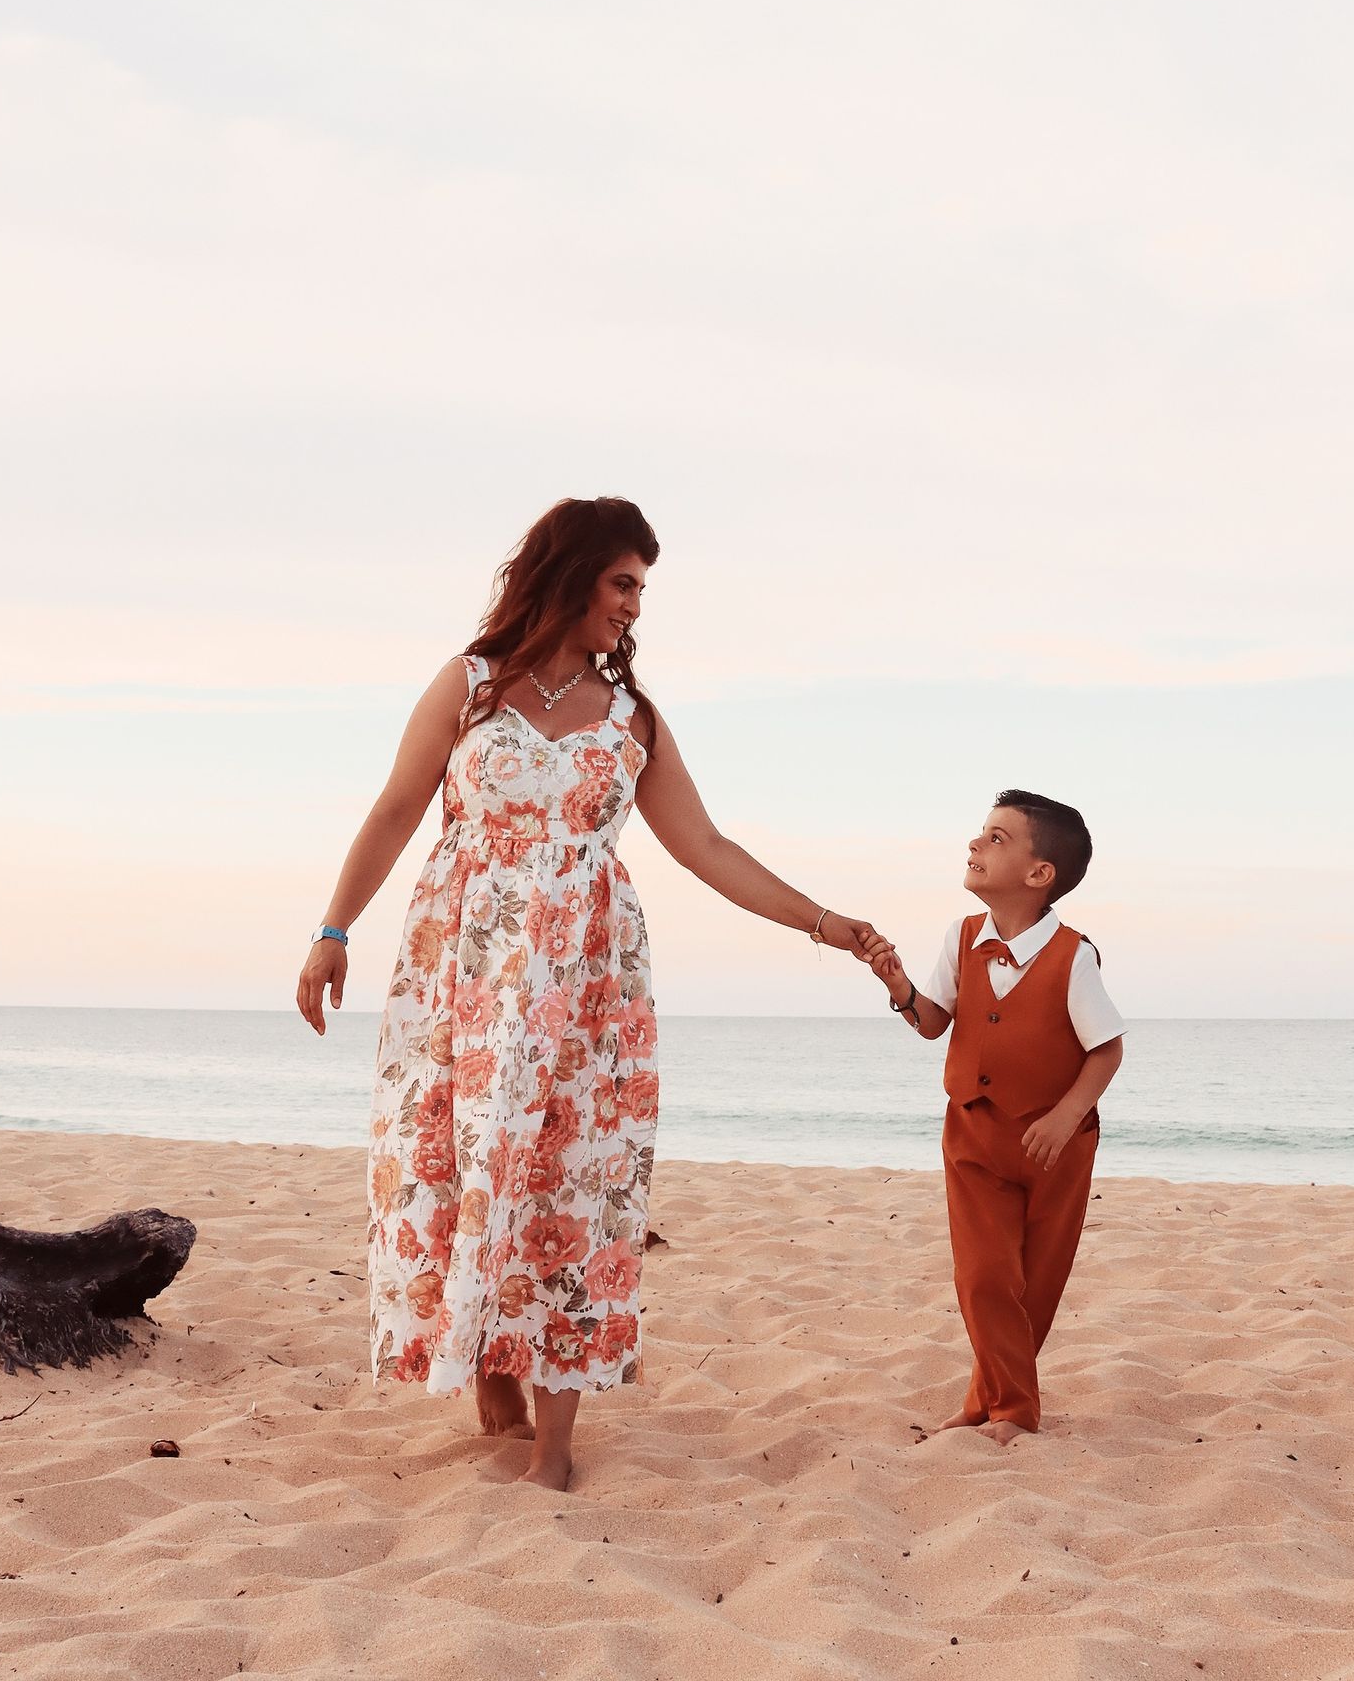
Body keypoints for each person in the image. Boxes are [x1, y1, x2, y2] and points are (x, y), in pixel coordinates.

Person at [295, 495, 882, 1491]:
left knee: (570, 1185)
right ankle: (489, 1379)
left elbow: (704, 847)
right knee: (461, 1166)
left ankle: (556, 1446)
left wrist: (830, 927)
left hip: (587, 985)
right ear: (566, 576)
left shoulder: (630, 719)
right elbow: (397, 808)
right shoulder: (471, 686)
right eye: (621, 584)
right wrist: (330, 931)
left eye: (640, 590)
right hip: (466, 978)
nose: (632, 608)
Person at [863, 792, 1125, 1443]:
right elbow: (933, 1025)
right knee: (983, 1277)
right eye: (980, 834)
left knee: (1034, 1286)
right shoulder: (961, 939)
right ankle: (1015, 1412)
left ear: (1041, 876)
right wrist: (900, 990)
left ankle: (985, 1399)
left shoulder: (1074, 956)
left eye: (997, 838)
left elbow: (1107, 1048)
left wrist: (1067, 1117)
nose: (975, 845)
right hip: (974, 1133)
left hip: (1055, 1145)